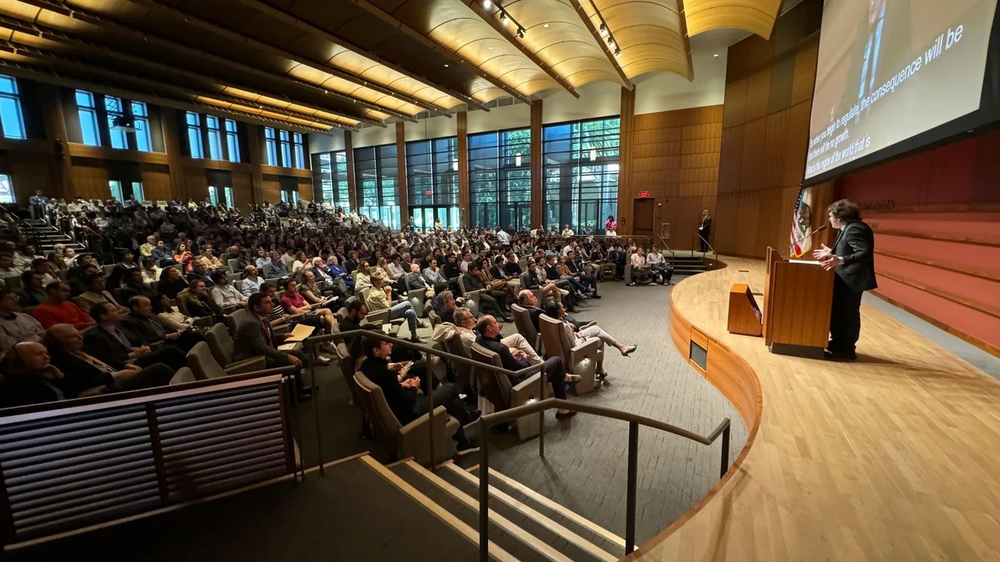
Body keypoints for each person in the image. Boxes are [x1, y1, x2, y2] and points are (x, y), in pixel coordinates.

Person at [358, 335, 478, 453]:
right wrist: (413, 387)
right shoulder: (386, 375)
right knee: (450, 389)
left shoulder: (365, 366)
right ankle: (464, 422)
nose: (391, 344)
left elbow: (388, 391)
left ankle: (463, 440)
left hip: (397, 408)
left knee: (450, 399)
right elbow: (408, 401)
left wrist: (402, 385)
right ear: (376, 350)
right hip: (411, 413)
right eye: (386, 343)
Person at [474, 315, 579, 419]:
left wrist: (512, 357)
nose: (498, 324)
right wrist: (525, 358)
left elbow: (507, 363)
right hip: (519, 381)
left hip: (500, 384)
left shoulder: (479, 340)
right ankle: (563, 407)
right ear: (489, 328)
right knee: (556, 362)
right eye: (495, 323)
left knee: (556, 370)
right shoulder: (500, 349)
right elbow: (520, 369)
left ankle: (563, 392)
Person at [813, 199, 877, 361]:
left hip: (852, 280)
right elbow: (849, 249)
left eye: (830, 216)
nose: (829, 219)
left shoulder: (855, 228)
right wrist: (832, 251)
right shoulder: (847, 228)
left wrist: (839, 259)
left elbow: (864, 252)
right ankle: (838, 344)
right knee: (840, 312)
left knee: (847, 315)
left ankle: (846, 350)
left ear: (840, 216)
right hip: (845, 278)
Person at [46, 324, 174, 396]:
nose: (80, 338)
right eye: (73, 337)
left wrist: (125, 366)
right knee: (159, 369)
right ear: (59, 342)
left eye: (78, 334)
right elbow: (77, 384)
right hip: (101, 391)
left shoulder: (81, 349)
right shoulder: (58, 360)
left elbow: (105, 361)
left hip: (114, 374)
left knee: (168, 352)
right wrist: (116, 375)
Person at [232, 293, 310, 398]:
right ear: (256, 307)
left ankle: (299, 388)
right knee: (291, 358)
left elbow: (265, 336)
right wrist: (287, 356)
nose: (272, 304)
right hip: (253, 360)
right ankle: (294, 395)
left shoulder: (261, 316)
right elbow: (262, 348)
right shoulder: (251, 323)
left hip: (261, 353)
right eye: (267, 302)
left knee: (298, 353)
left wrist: (283, 336)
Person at [84, 302, 188, 371]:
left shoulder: (120, 326)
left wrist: (144, 346)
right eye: (114, 310)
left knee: (185, 337)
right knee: (170, 351)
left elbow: (139, 339)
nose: (120, 312)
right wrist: (133, 354)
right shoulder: (95, 336)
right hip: (129, 363)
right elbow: (109, 359)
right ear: (103, 316)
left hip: (142, 354)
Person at [121, 295, 204, 353]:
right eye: (147, 305)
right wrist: (166, 336)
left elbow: (165, 326)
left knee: (193, 334)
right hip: (159, 344)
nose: (151, 308)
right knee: (190, 339)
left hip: (169, 339)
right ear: (135, 307)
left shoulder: (151, 315)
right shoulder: (130, 321)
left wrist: (176, 330)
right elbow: (144, 339)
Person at [0, 341, 66, 407]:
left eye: (46, 353)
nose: (46, 357)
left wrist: (60, 378)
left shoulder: (44, 373)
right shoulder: (13, 386)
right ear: (19, 360)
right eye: (38, 354)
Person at [366, 272, 421, 343]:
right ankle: (419, 322)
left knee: (411, 312)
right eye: (381, 279)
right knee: (407, 303)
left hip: (386, 311)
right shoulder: (375, 294)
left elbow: (386, 303)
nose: (384, 280)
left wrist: (387, 294)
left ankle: (414, 336)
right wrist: (389, 293)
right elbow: (388, 306)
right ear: (375, 282)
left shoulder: (379, 289)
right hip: (383, 315)